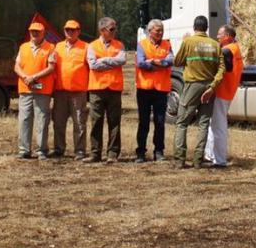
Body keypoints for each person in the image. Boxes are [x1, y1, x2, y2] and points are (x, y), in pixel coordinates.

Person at [172, 16, 225, 169]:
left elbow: (177, 62)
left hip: (192, 86)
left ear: (194, 27)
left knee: (182, 122)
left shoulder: (188, 42)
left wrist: (184, 42)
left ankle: (179, 160)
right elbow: (222, 69)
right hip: (209, 87)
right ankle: (197, 160)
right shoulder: (215, 45)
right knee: (203, 124)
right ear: (206, 28)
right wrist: (212, 87)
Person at [86, 17, 126, 163]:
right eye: (112, 29)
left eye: (115, 28)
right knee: (96, 121)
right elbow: (93, 65)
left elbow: (122, 60)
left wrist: (103, 60)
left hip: (114, 89)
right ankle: (95, 153)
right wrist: (111, 61)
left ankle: (113, 154)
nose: (115, 31)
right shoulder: (92, 46)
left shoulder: (119, 45)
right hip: (97, 89)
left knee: (114, 122)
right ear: (102, 31)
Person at [15, 22, 57, 160]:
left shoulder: (51, 48)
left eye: (37, 31)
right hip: (25, 88)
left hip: (42, 90)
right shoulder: (23, 47)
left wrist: (34, 77)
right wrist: (25, 77)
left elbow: (51, 67)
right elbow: (16, 66)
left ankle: (41, 150)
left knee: (42, 120)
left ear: (43, 33)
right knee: (24, 119)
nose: (34, 34)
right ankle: (24, 150)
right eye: (32, 31)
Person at [134, 19, 173, 163]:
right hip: (144, 88)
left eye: (162, 30)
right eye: (158, 30)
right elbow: (141, 63)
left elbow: (170, 61)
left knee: (160, 121)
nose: (160, 33)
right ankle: (140, 152)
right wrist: (158, 64)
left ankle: (159, 151)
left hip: (161, 89)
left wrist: (154, 61)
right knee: (143, 121)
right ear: (150, 31)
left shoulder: (167, 44)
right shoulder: (141, 44)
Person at [50, 19, 90, 160]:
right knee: (58, 122)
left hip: (78, 92)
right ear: (64, 31)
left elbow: (92, 68)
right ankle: (59, 149)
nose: (70, 32)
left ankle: (79, 151)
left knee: (79, 123)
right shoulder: (57, 47)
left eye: (73, 30)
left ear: (79, 31)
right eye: (68, 30)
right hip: (60, 91)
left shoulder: (86, 47)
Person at [204, 25, 242, 167]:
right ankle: (210, 155)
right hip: (227, 91)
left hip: (221, 91)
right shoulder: (235, 48)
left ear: (227, 36)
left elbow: (221, 70)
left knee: (218, 126)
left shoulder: (226, 51)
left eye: (220, 34)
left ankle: (219, 160)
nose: (217, 36)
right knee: (214, 124)